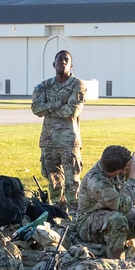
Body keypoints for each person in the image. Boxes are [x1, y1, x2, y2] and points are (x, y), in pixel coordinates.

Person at [31, 50, 86, 212]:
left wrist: (47, 107)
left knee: (72, 183)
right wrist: (56, 104)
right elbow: (36, 109)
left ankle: (75, 217)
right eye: (59, 59)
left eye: (66, 60)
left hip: (69, 142)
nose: (62, 62)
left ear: (71, 65)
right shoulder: (44, 86)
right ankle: (57, 214)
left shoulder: (77, 85)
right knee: (54, 183)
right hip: (49, 142)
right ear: (53, 64)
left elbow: (72, 111)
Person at [74, 145, 135, 259]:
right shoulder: (96, 183)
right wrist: (133, 176)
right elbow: (124, 206)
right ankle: (115, 263)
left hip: (110, 214)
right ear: (119, 171)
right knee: (117, 220)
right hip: (87, 223)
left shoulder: (113, 166)